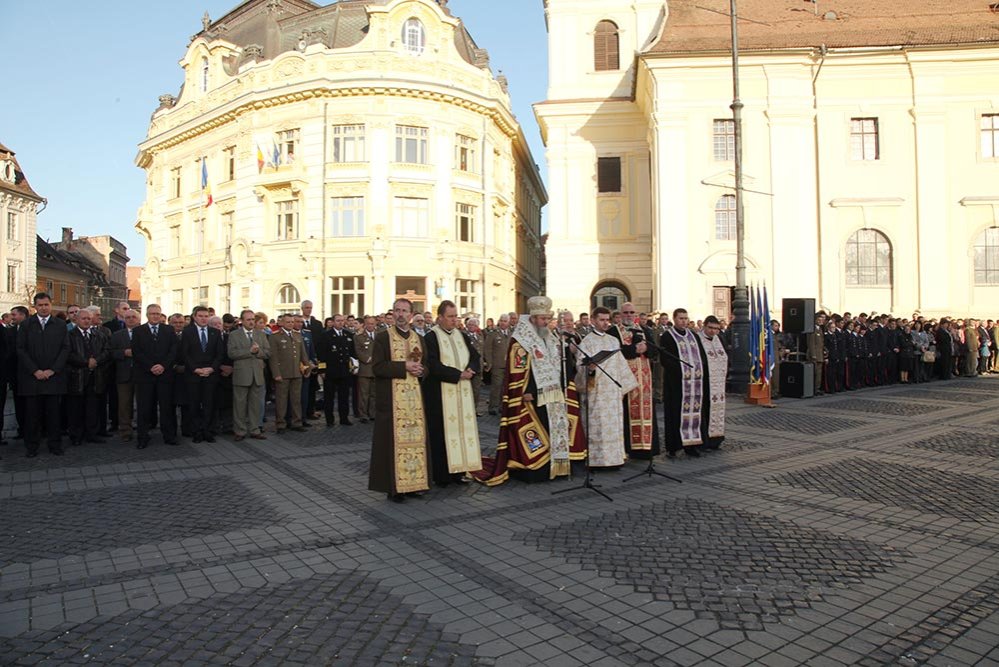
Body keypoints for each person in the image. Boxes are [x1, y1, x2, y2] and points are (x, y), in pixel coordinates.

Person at [475, 297, 587, 485]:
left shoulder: (553, 339)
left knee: (554, 429)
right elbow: (517, 372)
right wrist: (527, 391)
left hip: (554, 395)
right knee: (535, 432)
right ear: (533, 319)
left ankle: (557, 465)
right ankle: (535, 467)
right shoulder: (521, 342)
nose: (546, 322)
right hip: (531, 397)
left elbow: (561, 364)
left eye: (547, 318)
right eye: (543, 319)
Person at [368, 298, 431, 502]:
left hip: (415, 404)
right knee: (392, 445)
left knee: (415, 444)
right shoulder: (382, 337)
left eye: (404, 311)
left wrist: (422, 370)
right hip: (392, 402)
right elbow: (377, 367)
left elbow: (427, 366)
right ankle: (394, 488)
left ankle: (415, 484)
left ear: (411, 315)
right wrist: (403, 367)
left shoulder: (419, 339)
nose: (400, 314)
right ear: (392, 314)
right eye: (397, 310)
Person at [423, 300, 482, 486]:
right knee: (441, 434)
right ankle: (441, 475)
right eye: (450, 317)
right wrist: (458, 374)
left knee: (460, 432)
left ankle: (459, 471)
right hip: (440, 394)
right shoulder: (431, 337)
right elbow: (433, 365)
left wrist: (471, 370)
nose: (454, 320)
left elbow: (475, 356)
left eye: (456, 316)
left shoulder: (461, 335)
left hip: (462, 393)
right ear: (440, 317)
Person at [576, 307, 639, 469]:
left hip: (613, 391)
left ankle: (615, 459)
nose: (605, 323)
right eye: (602, 320)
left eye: (607, 320)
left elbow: (620, 365)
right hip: (596, 392)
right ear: (593, 320)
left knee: (614, 426)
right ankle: (597, 461)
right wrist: (589, 369)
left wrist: (622, 387)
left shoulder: (613, 340)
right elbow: (580, 368)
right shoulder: (586, 342)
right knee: (598, 427)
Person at [610, 302, 659, 460]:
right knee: (626, 414)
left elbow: (655, 350)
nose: (629, 315)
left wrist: (647, 349)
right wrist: (634, 350)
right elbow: (614, 352)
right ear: (620, 314)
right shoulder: (614, 331)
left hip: (644, 380)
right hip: (625, 381)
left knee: (646, 413)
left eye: (632, 312)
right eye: (626, 313)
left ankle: (645, 448)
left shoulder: (644, 330)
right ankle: (628, 448)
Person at [659, 308, 708, 458]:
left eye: (686, 318)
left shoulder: (693, 336)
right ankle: (674, 446)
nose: (684, 321)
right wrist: (681, 371)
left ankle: (692, 445)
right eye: (681, 318)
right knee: (675, 413)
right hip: (676, 383)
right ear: (674, 319)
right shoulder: (667, 336)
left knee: (694, 414)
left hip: (695, 384)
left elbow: (701, 356)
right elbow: (665, 359)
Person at [132, 304, 178, 449]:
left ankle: (169, 436)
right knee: (144, 408)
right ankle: (142, 437)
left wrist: (163, 365)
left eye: (158, 313)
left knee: (167, 408)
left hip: (165, 375)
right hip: (145, 375)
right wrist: (150, 366)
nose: (155, 316)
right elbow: (137, 352)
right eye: (152, 314)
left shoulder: (169, 330)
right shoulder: (138, 331)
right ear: (147, 315)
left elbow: (173, 350)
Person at [65, 308, 110, 447]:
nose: (86, 321)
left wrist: (96, 361)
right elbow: (68, 354)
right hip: (76, 376)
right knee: (75, 408)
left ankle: (92, 433)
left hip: (95, 376)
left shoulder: (99, 334)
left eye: (88, 319)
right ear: (77, 319)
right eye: (83, 318)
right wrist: (86, 362)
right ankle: (76, 435)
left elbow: (106, 351)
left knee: (93, 407)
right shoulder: (69, 335)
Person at [179, 306, 224, 443]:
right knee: (193, 404)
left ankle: (207, 430)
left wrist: (211, 368)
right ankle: (196, 431)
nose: (203, 319)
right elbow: (184, 354)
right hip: (193, 375)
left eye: (206, 316)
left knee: (209, 404)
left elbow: (219, 354)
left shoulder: (215, 333)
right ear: (194, 317)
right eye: (200, 316)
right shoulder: (187, 332)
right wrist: (195, 369)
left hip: (210, 374)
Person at [229, 309, 270, 441]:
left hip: (257, 375)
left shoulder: (261, 334)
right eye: (248, 320)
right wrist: (249, 351)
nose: (251, 322)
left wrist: (258, 352)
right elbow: (232, 353)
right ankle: (240, 431)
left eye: (253, 319)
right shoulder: (234, 335)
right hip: (242, 375)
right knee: (239, 405)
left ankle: (254, 429)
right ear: (241, 321)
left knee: (255, 405)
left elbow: (268, 353)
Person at [269, 313, 308, 433]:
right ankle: (281, 424)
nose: (291, 324)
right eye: (288, 322)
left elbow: (303, 354)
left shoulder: (297, 335)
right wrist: (276, 373)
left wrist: (306, 368)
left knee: (296, 399)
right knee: (281, 400)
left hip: (296, 372)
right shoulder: (275, 337)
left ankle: (297, 422)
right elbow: (273, 358)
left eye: (292, 322)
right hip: (283, 373)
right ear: (282, 323)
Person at [109, 309, 140, 441]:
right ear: (123, 319)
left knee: (143, 403)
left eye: (133, 317)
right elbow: (110, 353)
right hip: (123, 374)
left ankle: (143, 429)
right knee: (124, 404)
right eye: (128, 317)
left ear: (138, 319)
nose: (131, 319)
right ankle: (125, 431)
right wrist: (123, 353)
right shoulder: (117, 335)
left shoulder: (144, 333)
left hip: (141, 374)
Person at [698, 315, 728, 449]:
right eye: (710, 328)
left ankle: (716, 439)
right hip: (704, 382)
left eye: (716, 329)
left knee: (717, 409)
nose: (713, 331)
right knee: (704, 411)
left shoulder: (719, 339)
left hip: (719, 383)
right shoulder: (697, 339)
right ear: (704, 326)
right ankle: (704, 439)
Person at [320, 314, 355, 426]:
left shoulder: (348, 335)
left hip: (344, 371)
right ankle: (330, 420)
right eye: (338, 321)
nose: (340, 323)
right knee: (329, 397)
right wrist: (322, 371)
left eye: (342, 321)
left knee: (344, 397)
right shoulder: (326, 335)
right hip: (331, 371)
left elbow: (352, 353)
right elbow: (322, 355)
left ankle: (344, 418)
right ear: (333, 322)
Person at [483, 314, 512, 415]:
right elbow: (487, 348)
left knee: (505, 387)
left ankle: (501, 406)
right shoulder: (493, 334)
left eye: (505, 321)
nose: (503, 323)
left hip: (508, 365)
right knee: (496, 386)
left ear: (509, 323)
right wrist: (489, 362)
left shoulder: (511, 333)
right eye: (502, 321)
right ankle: (493, 406)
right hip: (497, 364)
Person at [354, 316, 378, 424]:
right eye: (368, 324)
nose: (370, 326)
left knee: (374, 393)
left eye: (372, 324)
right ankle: (363, 414)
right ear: (365, 324)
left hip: (376, 368)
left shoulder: (379, 335)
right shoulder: (359, 337)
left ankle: (372, 413)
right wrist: (367, 358)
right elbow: (358, 351)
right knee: (364, 394)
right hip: (365, 368)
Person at [464, 317, 485, 416]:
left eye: (474, 325)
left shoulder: (480, 336)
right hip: (468, 367)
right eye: (470, 325)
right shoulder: (464, 336)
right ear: (467, 326)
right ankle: (467, 410)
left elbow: (482, 351)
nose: (472, 326)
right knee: (468, 390)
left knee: (476, 390)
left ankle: (474, 409)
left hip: (479, 367)